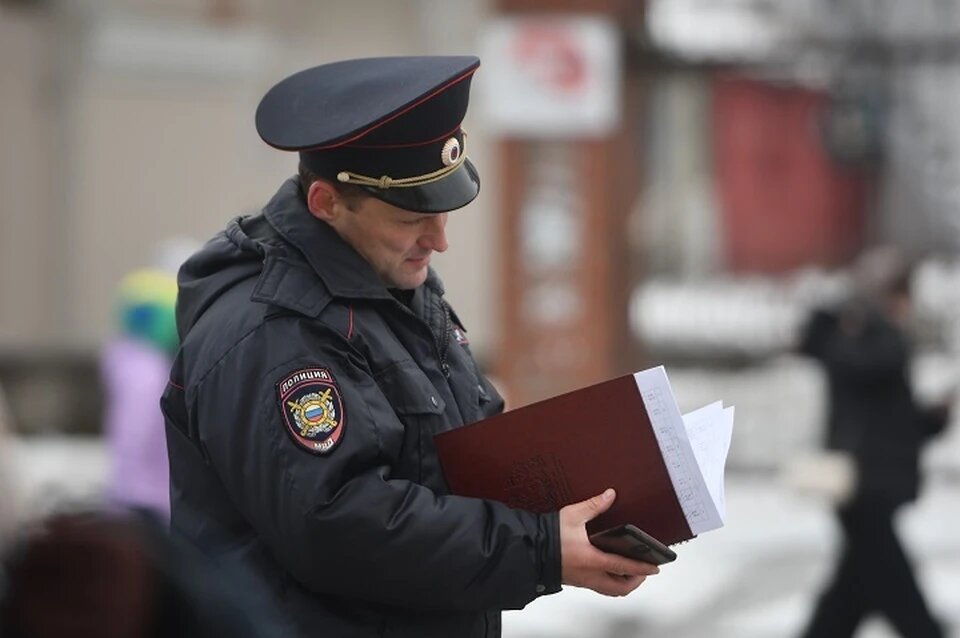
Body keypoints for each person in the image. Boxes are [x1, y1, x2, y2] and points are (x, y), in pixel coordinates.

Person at [160, 55, 660, 638]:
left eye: (442, 210)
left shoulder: (389, 285)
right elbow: (340, 525)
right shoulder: (273, 332)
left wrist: (582, 501)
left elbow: (457, 454)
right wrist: (540, 548)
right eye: (409, 217)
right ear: (326, 203)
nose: (439, 240)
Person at [797, 247, 951, 638]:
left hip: (874, 484)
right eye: (900, 294)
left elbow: (895, 418)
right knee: (896, 586)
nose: (906, 305)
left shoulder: (871, 339)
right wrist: (883, 323)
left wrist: (933, 419)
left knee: (854, 590)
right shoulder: (864, 337)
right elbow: (868, 363)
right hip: (862, 486)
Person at [102, 268, 180, 520]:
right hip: (147, 500)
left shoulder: (127, 360)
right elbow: (135, 434)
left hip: (136, 494)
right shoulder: (146, 370)